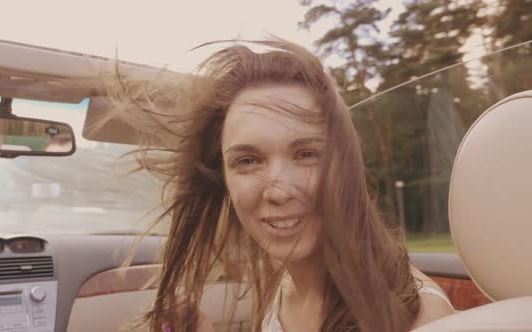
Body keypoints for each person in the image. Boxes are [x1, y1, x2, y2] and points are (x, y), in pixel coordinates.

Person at [112, 39, 454, 332]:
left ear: (345, 166)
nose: (278, 190)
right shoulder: (285, 284)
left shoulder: (421, 319)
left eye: (306, 154)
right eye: (247, 160)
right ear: (225, 182)